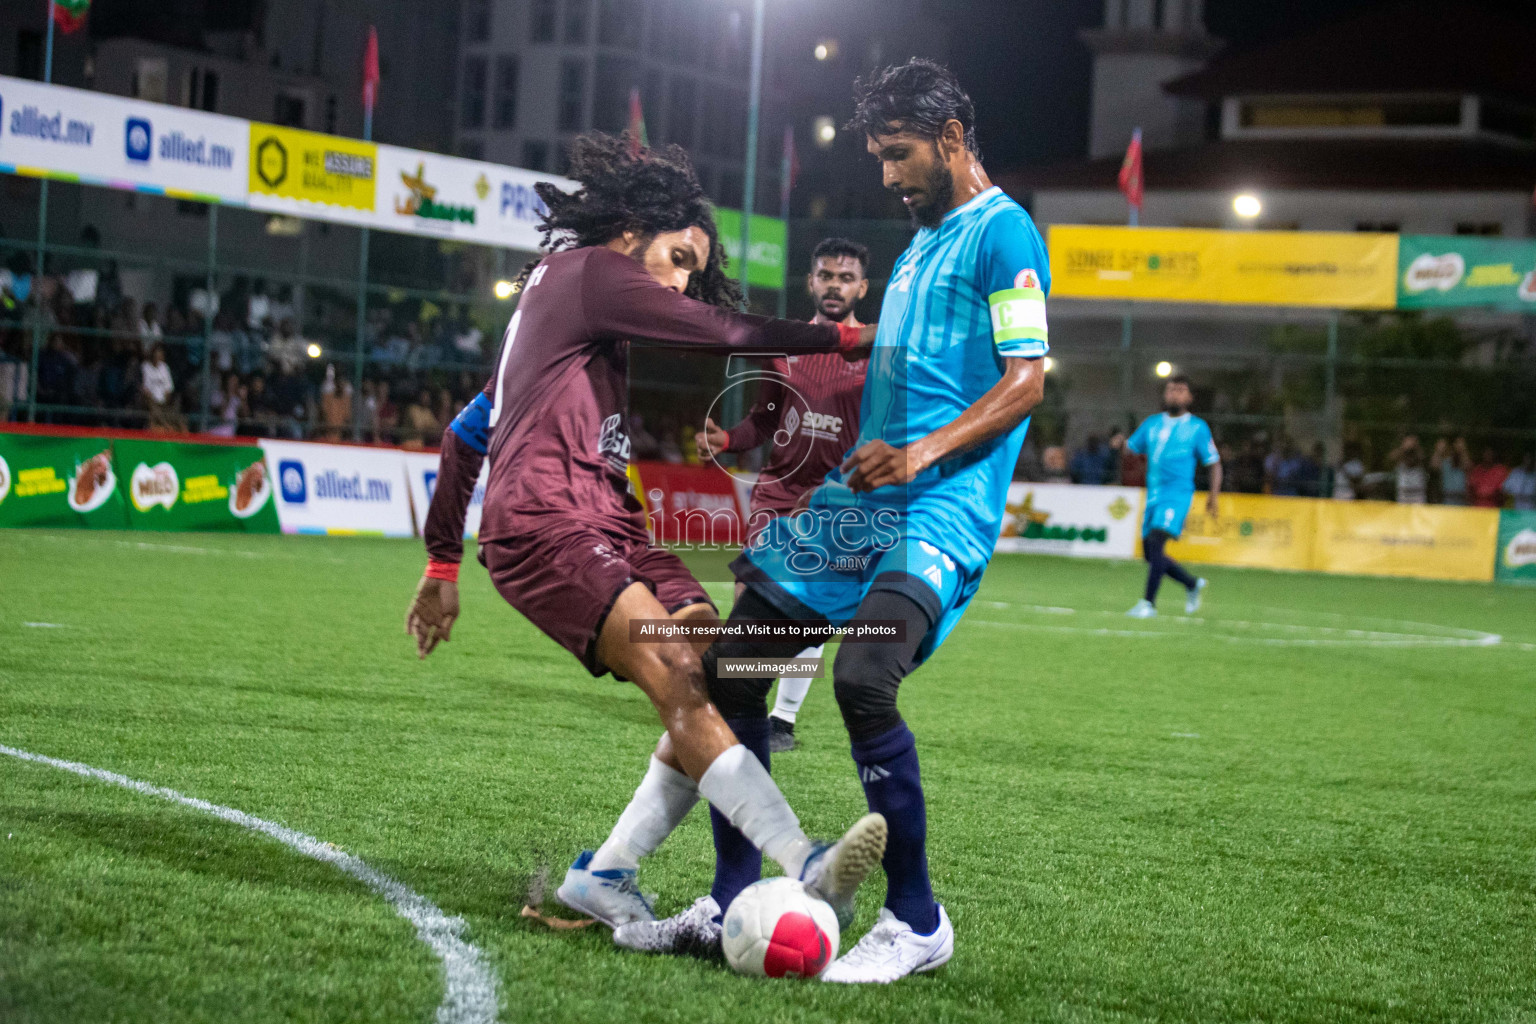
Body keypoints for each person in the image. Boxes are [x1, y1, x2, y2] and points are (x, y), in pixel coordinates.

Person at [608, 59, 1048, 982]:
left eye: (899, 156)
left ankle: (916, 922)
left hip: (940, 508)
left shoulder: (1006, 236)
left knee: (864, 676)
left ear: (953, 139)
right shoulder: (922, 240)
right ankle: (730, 901)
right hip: (855, 511)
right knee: (733, 673)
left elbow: (1026, 382)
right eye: (880, 158)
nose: (888, 177)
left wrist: (922, 454)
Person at [403, 133, 887, 938]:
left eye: (693, 268)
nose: (680, 278)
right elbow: (723, 334)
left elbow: (464, 435)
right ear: (631, 226)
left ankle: (606, 874)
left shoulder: (564, 317)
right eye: (676, 256)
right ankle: (805, 861)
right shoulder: (590, 273)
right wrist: (844, 337)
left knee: (721, 668)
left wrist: (442, 564)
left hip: (618, 522)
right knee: (672, 667)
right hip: (547, 521)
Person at [694, 236, 872, 754]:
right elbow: (766, 419)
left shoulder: (876, 349)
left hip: (837, 500)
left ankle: (783, 719)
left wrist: (837, 488)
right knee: (750, 599)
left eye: (845, 277)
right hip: (777, 492)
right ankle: (740, 703)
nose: (834, 285)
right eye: (825, 275)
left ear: (861, 286)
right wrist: (728, 441)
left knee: (806, 605)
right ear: (810, 281)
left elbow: (883, 430)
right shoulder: (785, 343)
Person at [1125, 374, 1220, 618]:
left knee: (1157, 541)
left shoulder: (1197, 427)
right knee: (1150, 554)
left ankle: (1148, 604)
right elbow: (1131, 448)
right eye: (1170, 390)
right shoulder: (1152, 423)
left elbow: (1214, 463)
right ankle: (1191, 584)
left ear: (1189, 397)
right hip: (1153, 495)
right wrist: (1120, 445)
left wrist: (1213, 496)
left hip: (1177, 494)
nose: (1174, 394)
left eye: (1180, 390)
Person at [141, 343, 184, 431]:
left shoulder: (164, 367)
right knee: (154, 408)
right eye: (157, 354)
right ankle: (166, 426)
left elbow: (169, 388)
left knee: (175, 410)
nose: (158, 356)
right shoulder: (145, 367)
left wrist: (165, 400)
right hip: (150, 400)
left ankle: (180, 430)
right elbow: (145, 388)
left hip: (164, 401)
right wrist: (153, 400)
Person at [1390, 435, 1427, 504]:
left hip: (1417, 493)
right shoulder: (1401, 455)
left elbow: (1423, 458)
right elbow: (1391, 458)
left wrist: (1415, 446)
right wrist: (1403, 448)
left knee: (1418, 514)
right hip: (1403, 492)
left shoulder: (1418, 454)